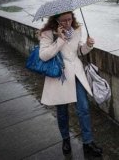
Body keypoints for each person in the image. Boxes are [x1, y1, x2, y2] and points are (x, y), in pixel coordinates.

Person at [38, 11, 102, 157]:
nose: (67, 23)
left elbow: (77, 52)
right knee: (62, 111)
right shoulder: (48, 33)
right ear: (56, 20)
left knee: (84, 108)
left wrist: (88, 45)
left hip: (76, 73)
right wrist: (60, 39)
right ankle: (65, 140)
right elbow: (43, 55)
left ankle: (88, 142)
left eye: (69, 19)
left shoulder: (77, 29)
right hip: (59, 76)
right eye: (63, 21)